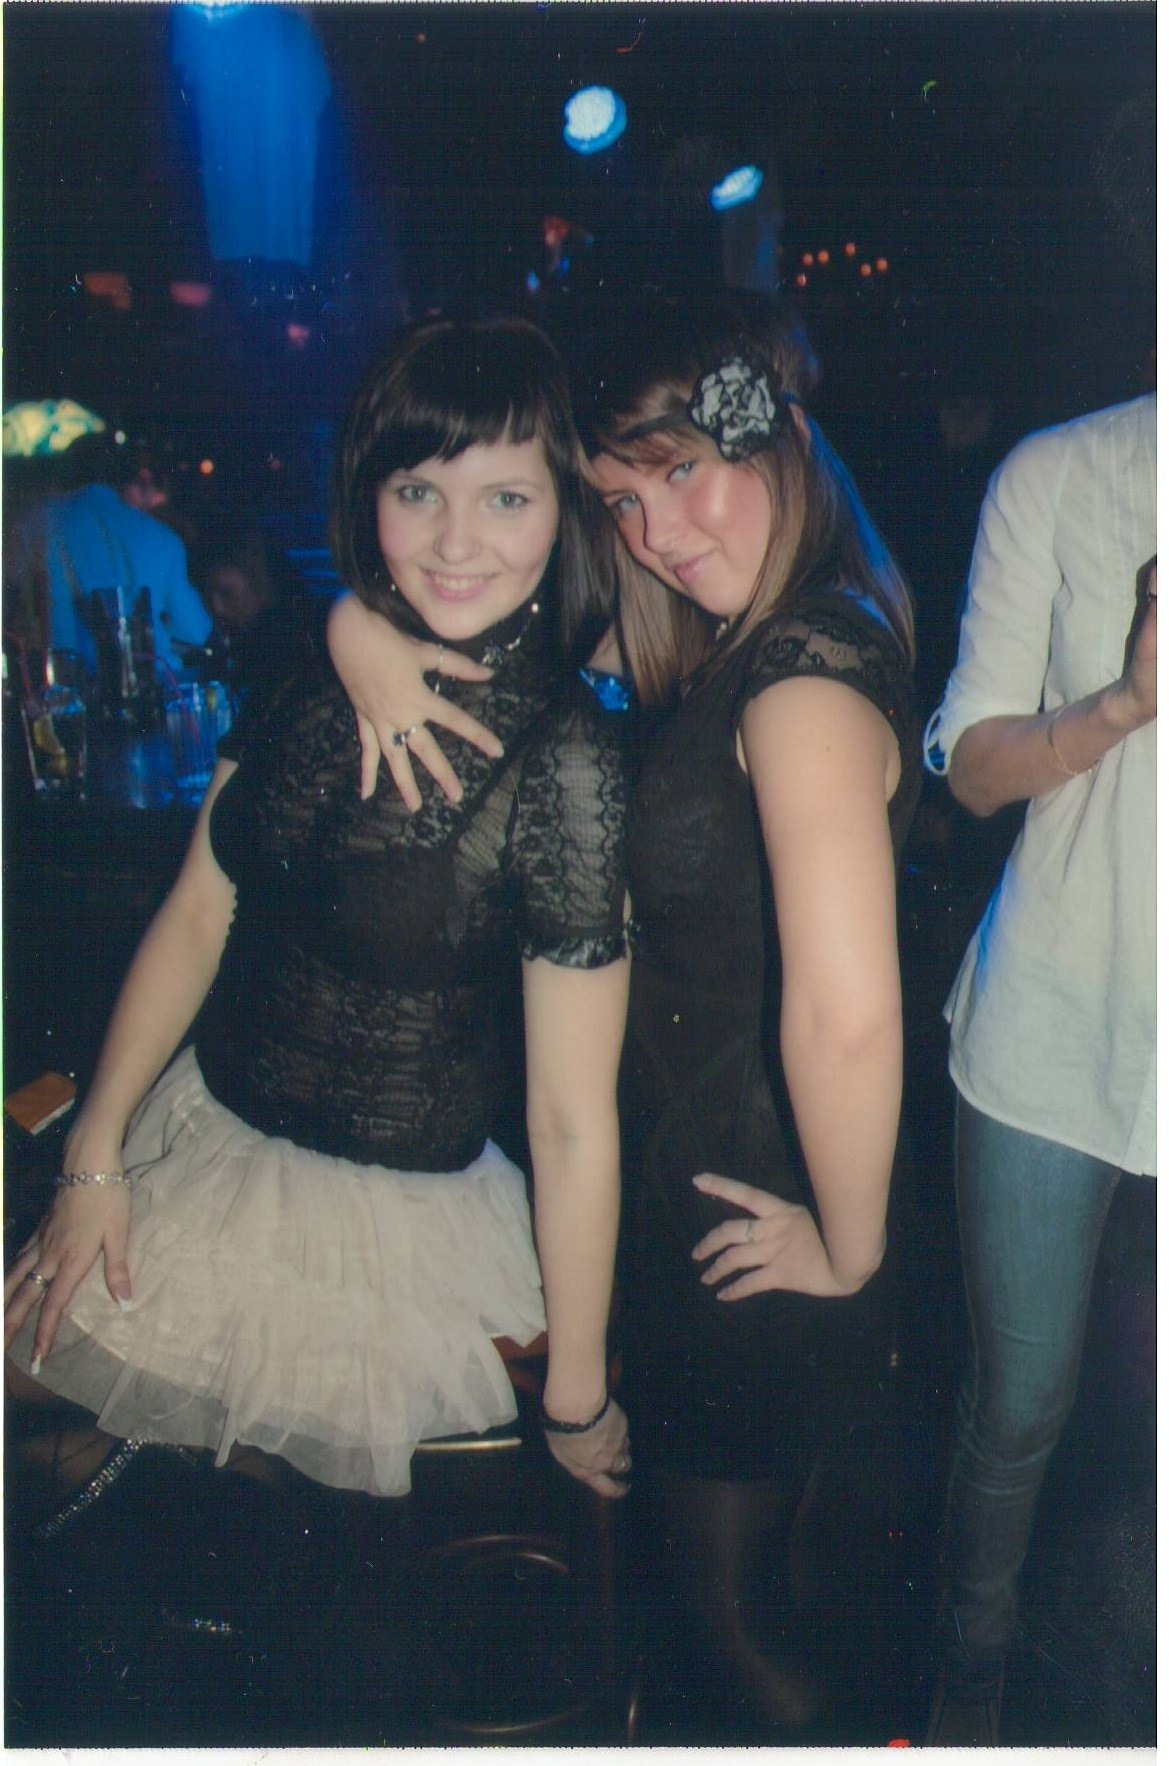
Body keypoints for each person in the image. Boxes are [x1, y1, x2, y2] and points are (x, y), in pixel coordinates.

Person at [326, 293, 921, 1731]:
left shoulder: (799, 680)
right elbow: (483, 617)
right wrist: (355, 626)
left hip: (747, 1228)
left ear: (781, 441)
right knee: (766, 1598)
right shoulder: (752, 642)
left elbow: (847, 1012)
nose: (657, 533)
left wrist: (848, 1246)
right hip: (727, 1200)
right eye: (624, 501)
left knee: (731, 1629)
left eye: (681, 473)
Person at [4, 315, 632, 1510]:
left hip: (386, 1234)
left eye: (505, 499)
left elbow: (568, 1116)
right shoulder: (310, 655)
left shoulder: (564, 756)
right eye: (417, 491)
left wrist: (577, 1390)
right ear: (369, 494)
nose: (455, 543)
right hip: (197, 1138)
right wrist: (95, 1150)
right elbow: (200, 910)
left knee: (243, 1514)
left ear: (563, 512)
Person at [920, 391, 1156, 1745]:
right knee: (1017, 1404)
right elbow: (968, 768)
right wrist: (1125, 700)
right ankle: (969, 1669)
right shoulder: (1056, 471)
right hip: (1053, 1016)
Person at [6, 430, 211, 678]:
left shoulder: (34, 525)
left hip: (63, 686)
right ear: (124, 479)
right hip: (151, 681)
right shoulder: (161, 537)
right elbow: (194, 631)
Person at [188, 513, 330, 700]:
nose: (217, 608)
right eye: (207, 597)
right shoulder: (224, 641)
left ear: (257, 579)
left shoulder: (296, 636)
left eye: (227, 592)